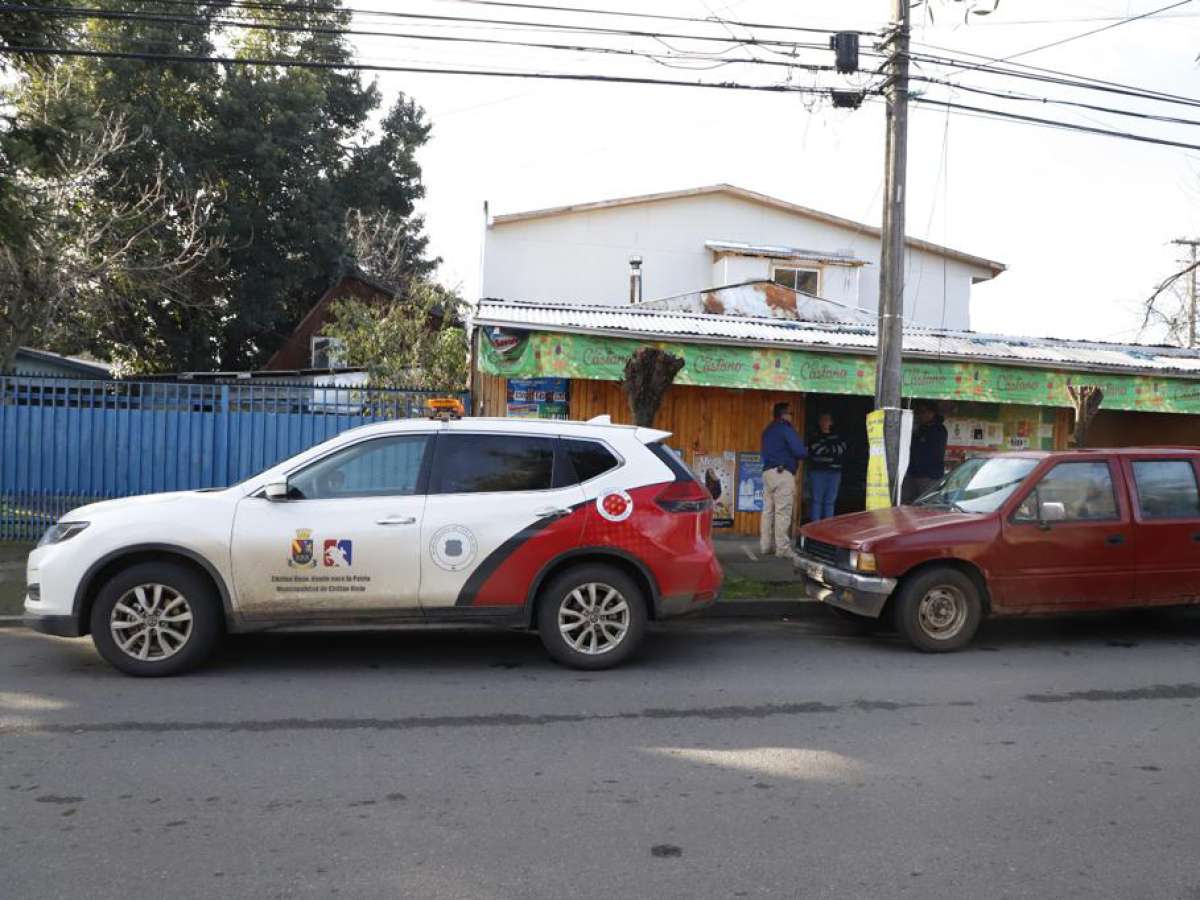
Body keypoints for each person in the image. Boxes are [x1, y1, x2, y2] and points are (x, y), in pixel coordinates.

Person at [760, 401, 806, 559]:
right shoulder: (786, 429)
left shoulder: (767, 430)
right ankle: (783, 548)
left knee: (767, 511)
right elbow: (800, 451)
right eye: (790, 414)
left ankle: (765, 546)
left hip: (767, 473)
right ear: (784, 415)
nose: (792, 417)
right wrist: (808, 451)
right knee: (782, 512)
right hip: (783, 473)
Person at [902, 401, 948, 504]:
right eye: (920, 412)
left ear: (932, 413)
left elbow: (932, 453)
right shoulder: (920, 428)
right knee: (906, 503)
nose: (922, 415)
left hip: (929, 476)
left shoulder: (939, 430)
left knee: (926, 506)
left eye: (925, 412)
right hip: (912, 473)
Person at [807, 412, 846, 521]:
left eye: (827, 420)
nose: (825, 422)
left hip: (835, 473)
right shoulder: (814, 437)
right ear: (819, 422)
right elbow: (816, 450)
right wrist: (831, 449)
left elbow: (841, 449)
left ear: (831, 422)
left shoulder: (838, 436)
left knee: (830, 501)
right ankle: (815, 529)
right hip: (817, 472)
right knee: (816, 500)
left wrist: (825, 448)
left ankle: (827, 529)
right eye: (823, 419)